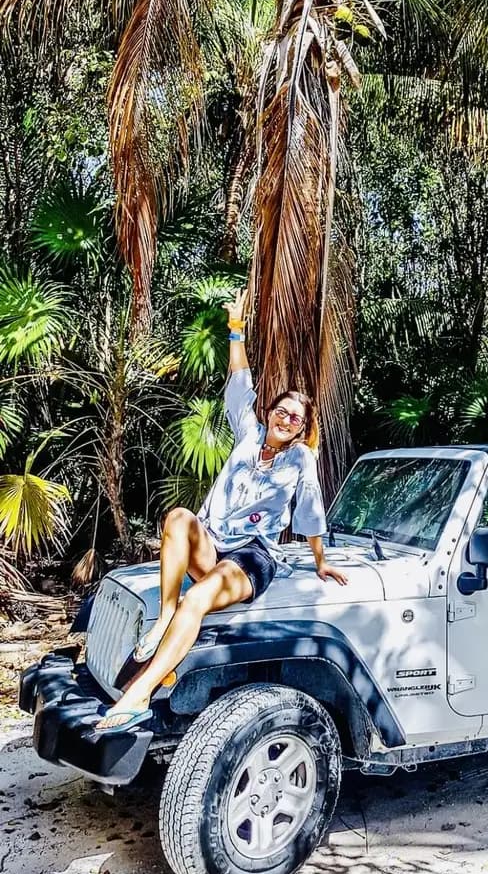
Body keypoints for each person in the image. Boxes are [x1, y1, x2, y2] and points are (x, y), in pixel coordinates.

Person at [94, 287, 347, 735]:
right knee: (178, 517)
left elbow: (310, 509)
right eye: (281, 411)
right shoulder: (249, 435)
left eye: (295, 418)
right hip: (212, 541)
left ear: (302, 429)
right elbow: (240, 382)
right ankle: (165, 615)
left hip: (251, 555)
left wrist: (320, 560)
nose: (286, 419)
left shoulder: (300, 459)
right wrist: (236, 328)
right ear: (270, 412)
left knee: (198, 599)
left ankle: (139, 695)